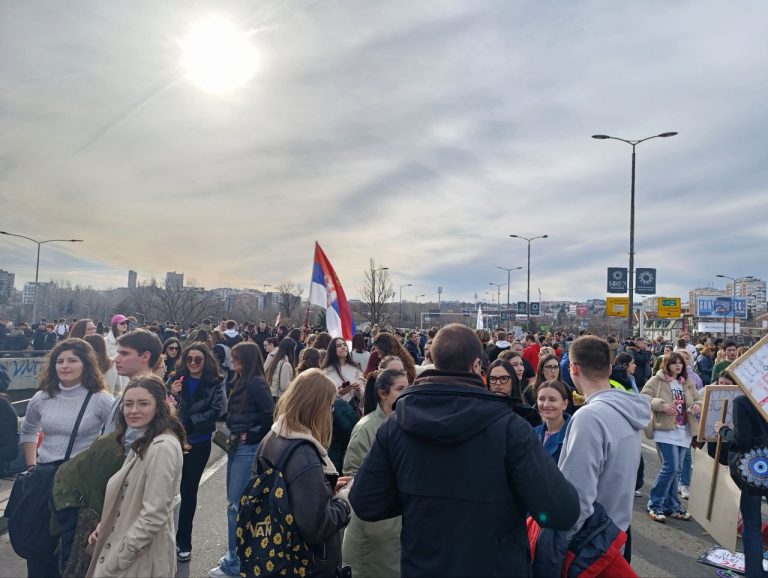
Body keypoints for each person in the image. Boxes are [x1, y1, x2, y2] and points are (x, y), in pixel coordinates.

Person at [349, 324, 580, 577]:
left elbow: (365, 501)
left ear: (435, 362)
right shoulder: (510, 427)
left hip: (424, 565)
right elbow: (562, 511)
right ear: (476, 367)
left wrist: (416, 501)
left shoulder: (396, 425)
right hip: (495, 565)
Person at [16, 338, 114, 578]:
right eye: (59, 361)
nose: (65, 366)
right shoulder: (42, 397)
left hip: (78, 485)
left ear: (86, 364)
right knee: (39, 548)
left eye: (72, 360)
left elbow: (113, 442)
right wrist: (32, 465)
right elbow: (29, 430)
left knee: (71, 552)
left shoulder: (100, 400)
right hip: (45, 478)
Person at [557, 335, 651, 565]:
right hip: (616, 535)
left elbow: (577, 496)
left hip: (589, 543)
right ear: (609, 369)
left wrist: (558, 544)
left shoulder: (589, 417)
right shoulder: (627, 409)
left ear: (574, 368)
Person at [254, 369, 352, 578]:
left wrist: (324, 487)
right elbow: (317, 526)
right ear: (317, 408)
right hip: (306, 564)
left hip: (274, 554)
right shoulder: (304, 454)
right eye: (330, 406)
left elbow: (286, 495)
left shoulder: (272, 437)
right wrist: (344, 500)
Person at [86, 375, 186, 578]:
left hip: (140, 561)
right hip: (132, 553)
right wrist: (104, 526)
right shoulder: (145, 439)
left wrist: (121, 556)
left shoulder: (161, 448)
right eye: (128, 404)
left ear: (159, 407)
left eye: (143, 403)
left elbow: (154, 514)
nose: (133, 410)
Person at [209, 342, 274, 578]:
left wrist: (253, 434)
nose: (232, 360)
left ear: (246, 359)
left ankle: (235, 562)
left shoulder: (255, 383)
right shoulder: (241, 380)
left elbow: (271, 413)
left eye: (236, 357)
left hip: (247, 447)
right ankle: (235, 555)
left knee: (236, 506)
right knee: (234, 504)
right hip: (237, 445)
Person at [342, 369, 408, 578]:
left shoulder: (404, 423)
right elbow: (352, 477)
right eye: (400, 389)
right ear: (382, 393)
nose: (407, 394)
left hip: (396, 528)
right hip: (373, 528)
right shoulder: (367, 427)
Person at [168, 343, 227, 563]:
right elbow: (164, 403)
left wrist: (192, 423)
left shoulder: (215, 382)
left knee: (188, 491)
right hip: (173, 440)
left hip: (198, 442)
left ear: (206, 361)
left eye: (198, 359)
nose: (193, 363)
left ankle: (184, 542)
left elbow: (219, 409)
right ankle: (158, 540)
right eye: (189, 359)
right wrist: (170, 392)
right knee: (163, 489)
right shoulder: (176, 379)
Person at [641, 351, 702, 523]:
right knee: (670, 467)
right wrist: (660, 404)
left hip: (683, 430)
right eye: (674, 362)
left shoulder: (686, 382)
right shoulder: (657, 380)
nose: (677, 365)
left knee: (678, 469)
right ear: (666, 364)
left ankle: (672, 506)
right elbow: (644, 398)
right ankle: (655, 503)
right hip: (665, 430)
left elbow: (700, 398)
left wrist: (697, 406)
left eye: (680, 363)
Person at [715, 391, 768, 578]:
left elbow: (742, 438)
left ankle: (755, 573)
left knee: (752, 523)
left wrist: (723, 429)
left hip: (753, 469)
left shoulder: (743, 402)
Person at [322, 337, 364, 414]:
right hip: (333, 413)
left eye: (344, 345)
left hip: (351, 411)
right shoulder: (326, 372)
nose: (343, 347)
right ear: (333, 350)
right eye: (339, 346)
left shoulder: (355, 369)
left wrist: (358, 389)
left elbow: (363, 395)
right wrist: (338, 393)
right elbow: (322, 396)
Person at [533, 380, 571, 462]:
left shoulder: (572, 434)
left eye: (552, 400)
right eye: (541, 399)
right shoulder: (533, 432)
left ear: (565, 404)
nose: (546, 404)